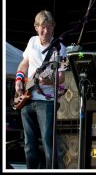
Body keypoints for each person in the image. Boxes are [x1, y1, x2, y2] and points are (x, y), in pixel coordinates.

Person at [14, 10, 67, 168]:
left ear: (53, 27)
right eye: (42, 27)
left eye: (49, 27)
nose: (45, 31)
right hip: (27, 99)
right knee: (29, 144)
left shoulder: (60, 48)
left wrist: (49, 80)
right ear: (36, 27)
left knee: (47, 143)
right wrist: (18, 80)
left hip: (46, 101)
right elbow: (25, 63)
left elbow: (62, 75)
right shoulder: (32, 41)